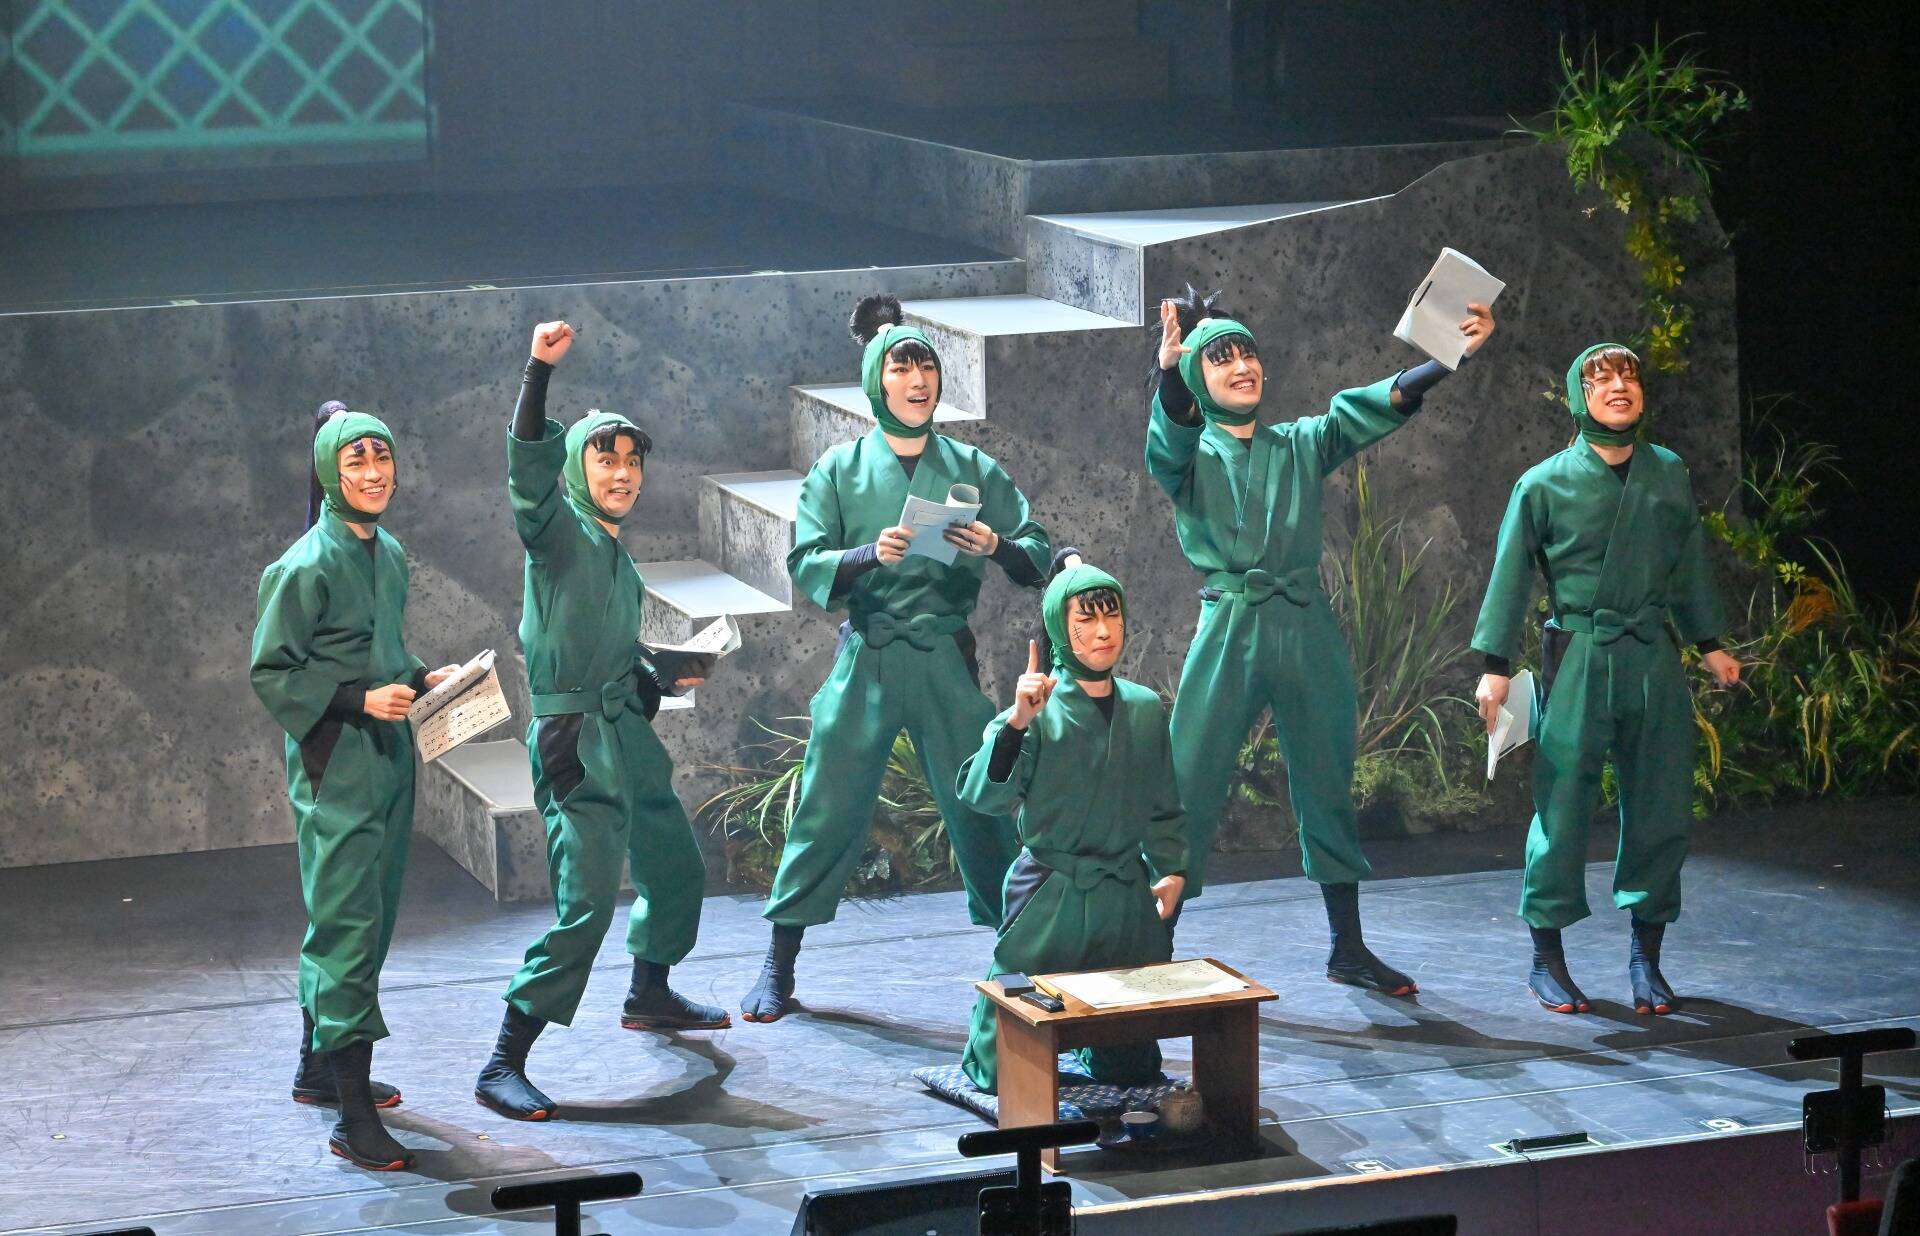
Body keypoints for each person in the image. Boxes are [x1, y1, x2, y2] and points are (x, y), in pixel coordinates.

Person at [1148, 284, 1495, 994]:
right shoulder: (1190, 456)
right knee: (1190, 779)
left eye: (1248, 354)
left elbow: (1371, 406)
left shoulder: (1299, 443)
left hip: (1304, 622)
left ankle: (1348, 948)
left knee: (1327, 777)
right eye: (1221, 358)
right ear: (1198, 379)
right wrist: (1170, 374)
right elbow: (1171, 432)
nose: (1242, 366)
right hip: (1232, 625)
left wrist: (1448, 356)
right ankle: (1152, 942)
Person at [740, 294, 1052, 1023]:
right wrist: (864, 556)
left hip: (943, 655)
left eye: (927, 367)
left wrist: (997, 546)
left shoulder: (970, 465)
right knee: (826, 804)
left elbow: (1037, 551)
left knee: (984, 799)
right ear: (876, 380)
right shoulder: (839, 469)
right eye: (901, 367)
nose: (917, 380)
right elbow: (806, 561)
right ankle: (778, 963)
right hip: (870, 653)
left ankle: (1023, 952)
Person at [475, 321, 724, 1123]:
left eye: (631, 461)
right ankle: (502, 1061)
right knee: (584, 905)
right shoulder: (556, 534)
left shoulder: (616, 552)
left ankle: (649, 992)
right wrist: (538, 371)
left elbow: (610, 655)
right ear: (577, 471)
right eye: (605, 459)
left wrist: (660, 673)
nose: (622, 473)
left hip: (625, 734)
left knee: (675, 864)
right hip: (575, 742)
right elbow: (527, 469)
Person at [1471, 343, 1738, 1015]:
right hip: (1580, 651)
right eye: (1601, 378)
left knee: (1661, 805)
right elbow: (1510, 573)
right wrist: (1494, 668)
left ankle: (1647, 961)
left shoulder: (1666, 472)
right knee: (1562, 806)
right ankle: (1546, 959)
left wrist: (1709, 643)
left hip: (1650, 650)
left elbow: (1687, 562)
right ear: (1578, 395)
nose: (1619, 385)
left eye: (1628, 375)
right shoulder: (1543, 483)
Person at [252, 401, 459, 1170]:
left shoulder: (389, 552)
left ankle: (318, 1068)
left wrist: (421, 678)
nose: (373, 474)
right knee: (346, 927)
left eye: (382, 459)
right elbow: (273, 672)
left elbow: (380, 651)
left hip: (388, 756)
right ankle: (352, 1116)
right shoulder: (302, 566)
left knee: (367, 921)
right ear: (329, 474)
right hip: (335, 761)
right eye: (355, 462)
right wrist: (357, 701)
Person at [954, 554, 1187, 1091]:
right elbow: (983, 795)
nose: (1104, 632)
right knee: (1003, 1064)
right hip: (1051, 886)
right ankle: (992, 1055)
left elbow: (1164, 802)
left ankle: (1102, 1049)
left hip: (1122, 886)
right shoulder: (1039, 709)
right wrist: (1017, 723)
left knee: (1131, 1063)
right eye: (1086, 619)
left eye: (1112, 616)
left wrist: (1171, 867)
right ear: (1061, 627)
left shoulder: (1144, 708)